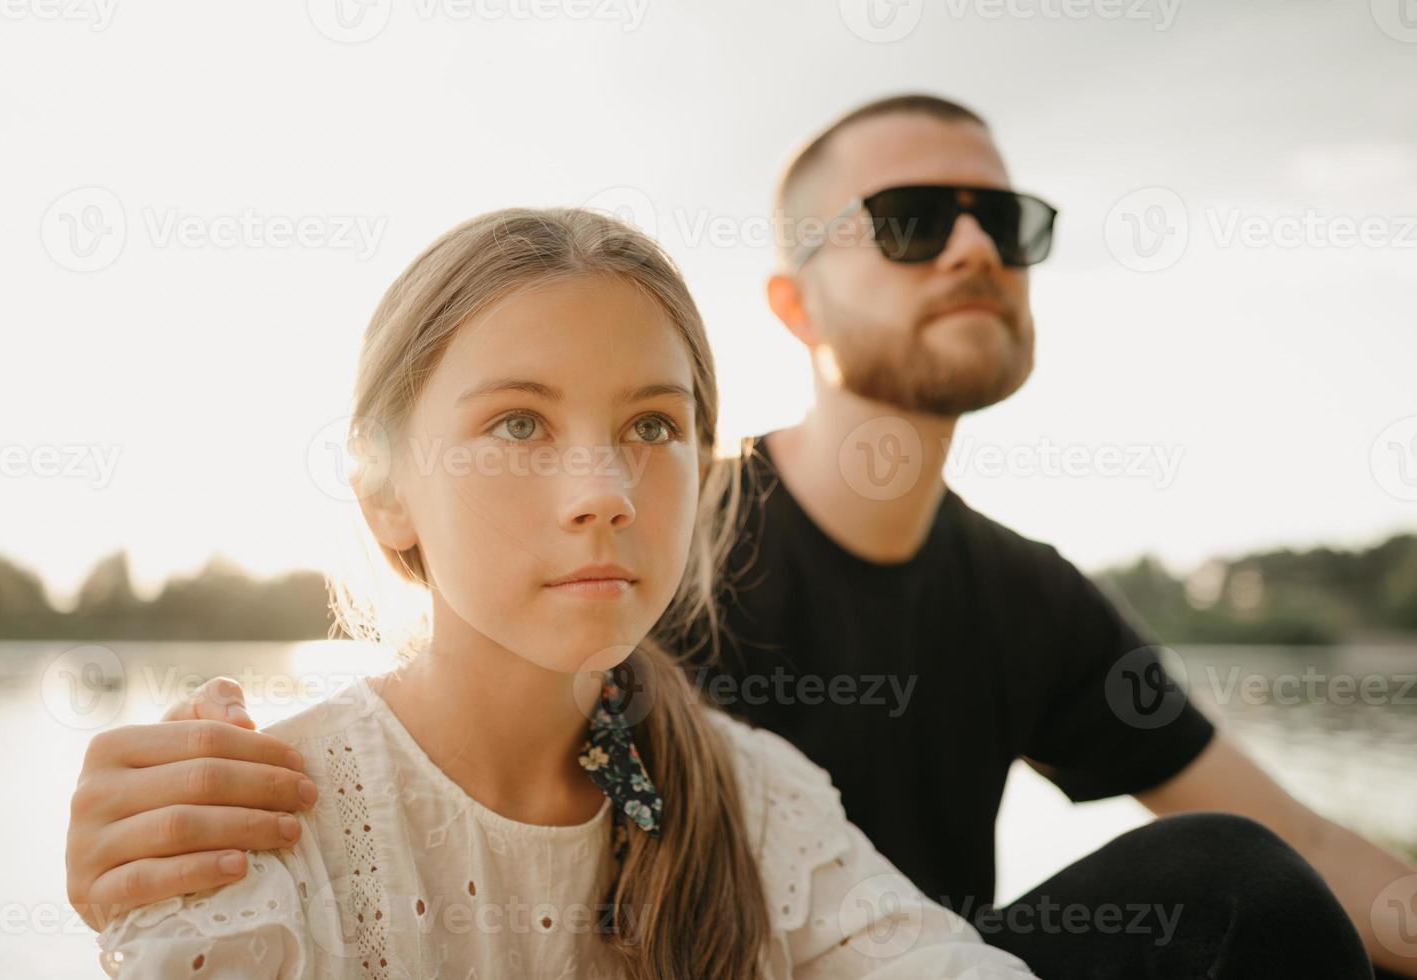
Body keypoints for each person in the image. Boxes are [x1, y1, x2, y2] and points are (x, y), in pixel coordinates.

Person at [68, 96, 1394, 977]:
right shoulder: (626, 549)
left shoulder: (1019, 599)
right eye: (915, 219)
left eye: (1012, 222)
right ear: (793, 300)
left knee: (1240, 891)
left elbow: (1306, 855)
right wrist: (136, 846)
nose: (975, 250)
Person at [86, 206, 1040, 979]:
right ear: (385, 492)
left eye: (653, 427)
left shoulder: (756, 798)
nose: (604, 495)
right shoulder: (263, 827)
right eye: (517, 424)